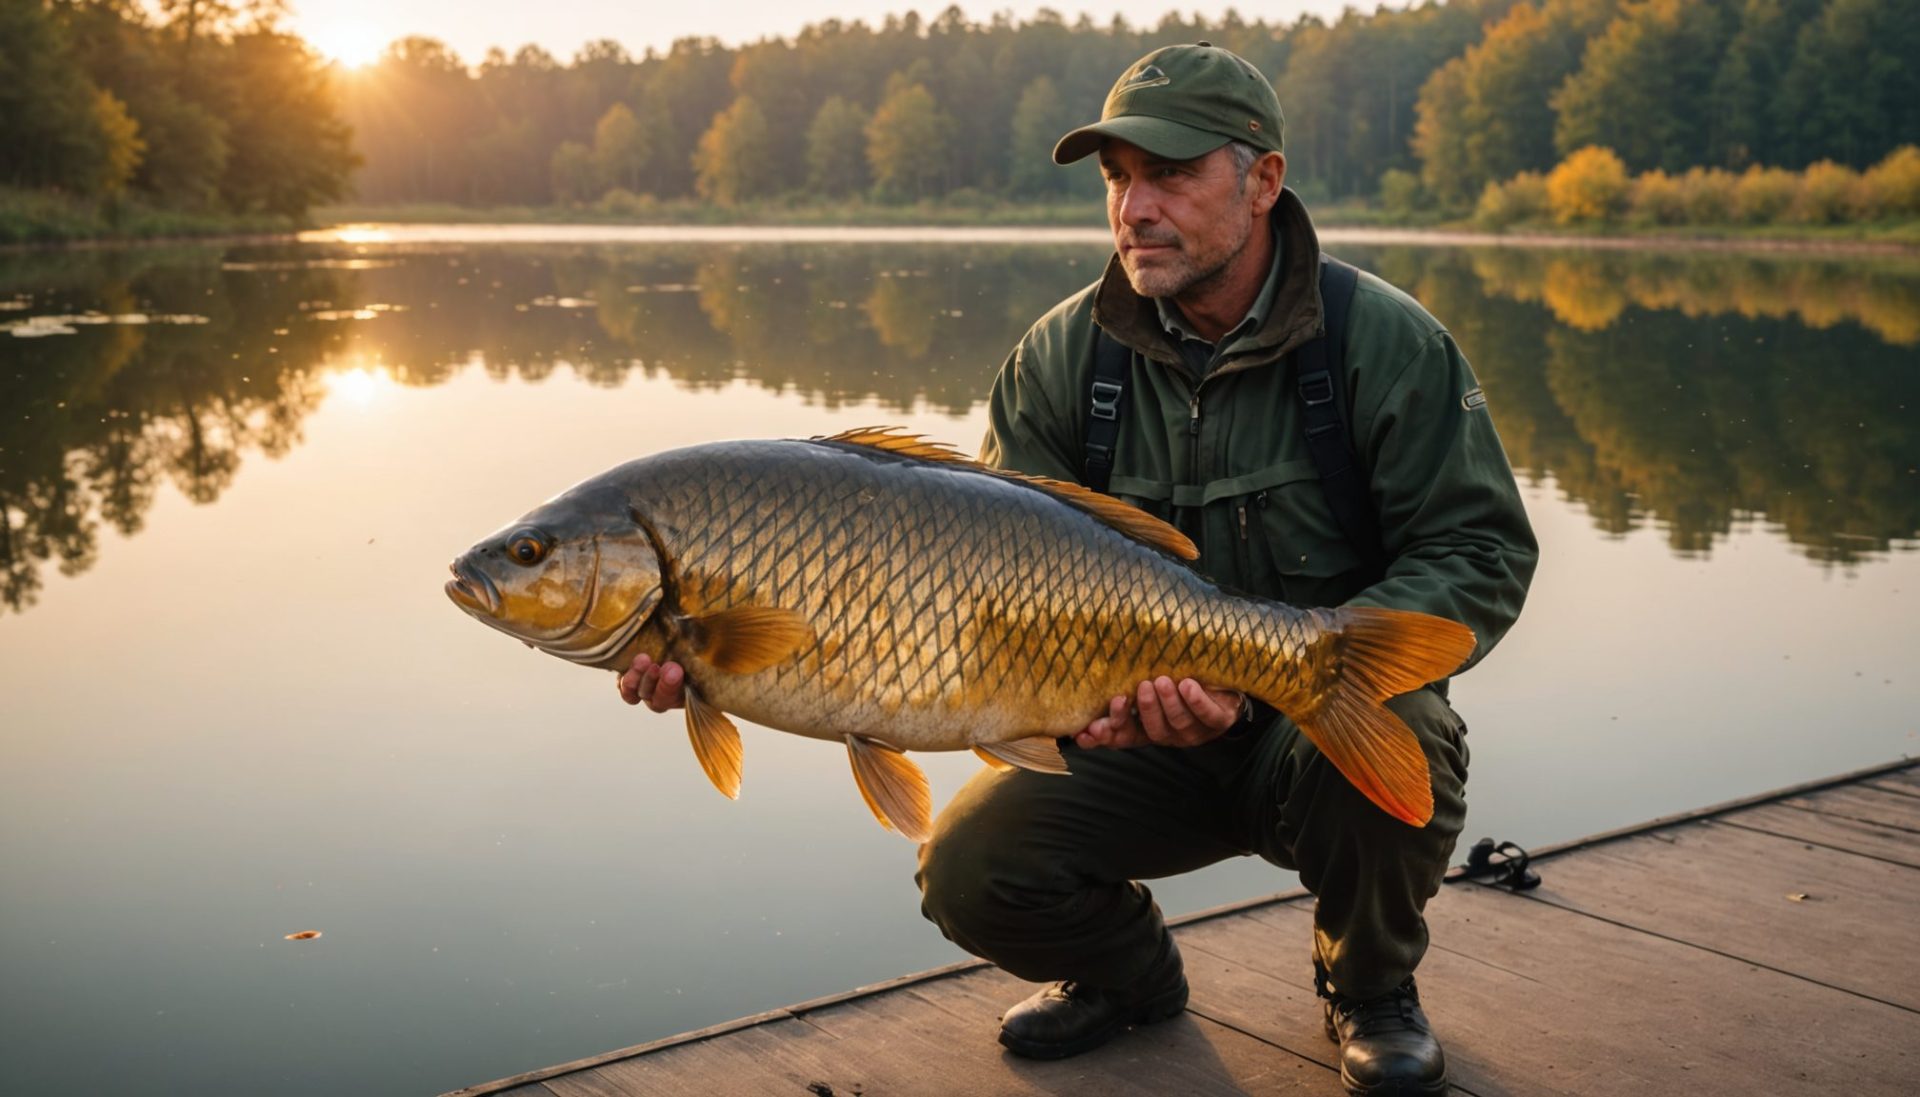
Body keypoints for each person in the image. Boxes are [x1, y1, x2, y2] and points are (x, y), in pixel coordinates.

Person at [621, 42, 1537, 1097]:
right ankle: (1128, 976)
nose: (1135, 206)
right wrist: (740, 667)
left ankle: (1368, 985)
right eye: (1117, 178)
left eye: (1171, 173)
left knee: (1406, 736)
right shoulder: (1061, 360)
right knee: (967, 861)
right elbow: (978, 599)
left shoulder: (1383, 343)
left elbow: (1480, 551)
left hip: (1310, 729)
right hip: (1133, 729)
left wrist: (1294, 673)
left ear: (1264, 180)